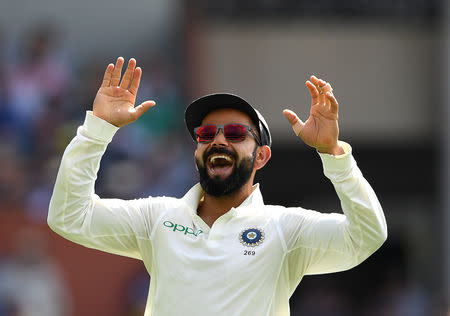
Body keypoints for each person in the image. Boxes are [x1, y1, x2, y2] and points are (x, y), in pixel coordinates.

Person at [48, 57, 387, 316]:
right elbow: (69, 217)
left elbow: (367, 236)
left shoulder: (285, 228)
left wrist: (334, 154)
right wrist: (98, 129)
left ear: (261, 157)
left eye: (236, 134)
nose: (218, 141)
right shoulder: (158, 218)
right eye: (206, 135)